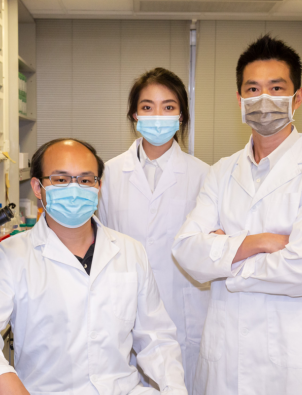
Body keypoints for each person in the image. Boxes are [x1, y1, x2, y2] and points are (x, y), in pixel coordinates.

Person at [172, 35, 302, 394]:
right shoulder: (221, 171)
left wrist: (226, 261)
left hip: (287, 358)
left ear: (297, 97)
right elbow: (187, 250)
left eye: (276, 87)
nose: (263, 99)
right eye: (252, 89)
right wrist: (260, 243)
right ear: (239, 99)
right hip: (224, 356)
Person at [0, 139, 187, 395]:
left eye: (86, 180)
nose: (75, 189)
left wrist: (173, 389)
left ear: (99, 185)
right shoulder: (11, 256)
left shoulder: (131, 252)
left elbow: (157, 339)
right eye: (61, 180)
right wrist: (3, 375)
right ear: (38, 188)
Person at [98, 68, 210, 393]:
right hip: (125, 311)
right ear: (134, 115)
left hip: (183, 314)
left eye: (168, 106)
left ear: (181, 116)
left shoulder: (205, 176)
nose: (157, 116)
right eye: (147, 107)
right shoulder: (107, 174)